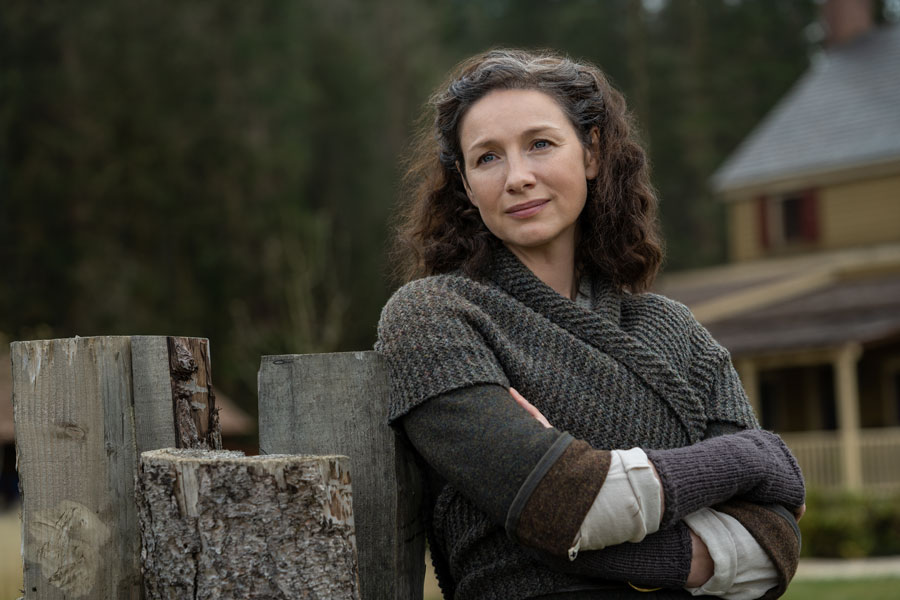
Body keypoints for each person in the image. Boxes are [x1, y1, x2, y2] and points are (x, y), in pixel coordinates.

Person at [376, 49, 805, 600]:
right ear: (464, 182)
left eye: (540, 144)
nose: (518, 177)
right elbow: (557, 502)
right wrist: (750, 459)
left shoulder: (673, 330)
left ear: (592, 153)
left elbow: (775, 546)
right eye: (487, 158)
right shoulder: (434, 317)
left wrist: (576, 527)